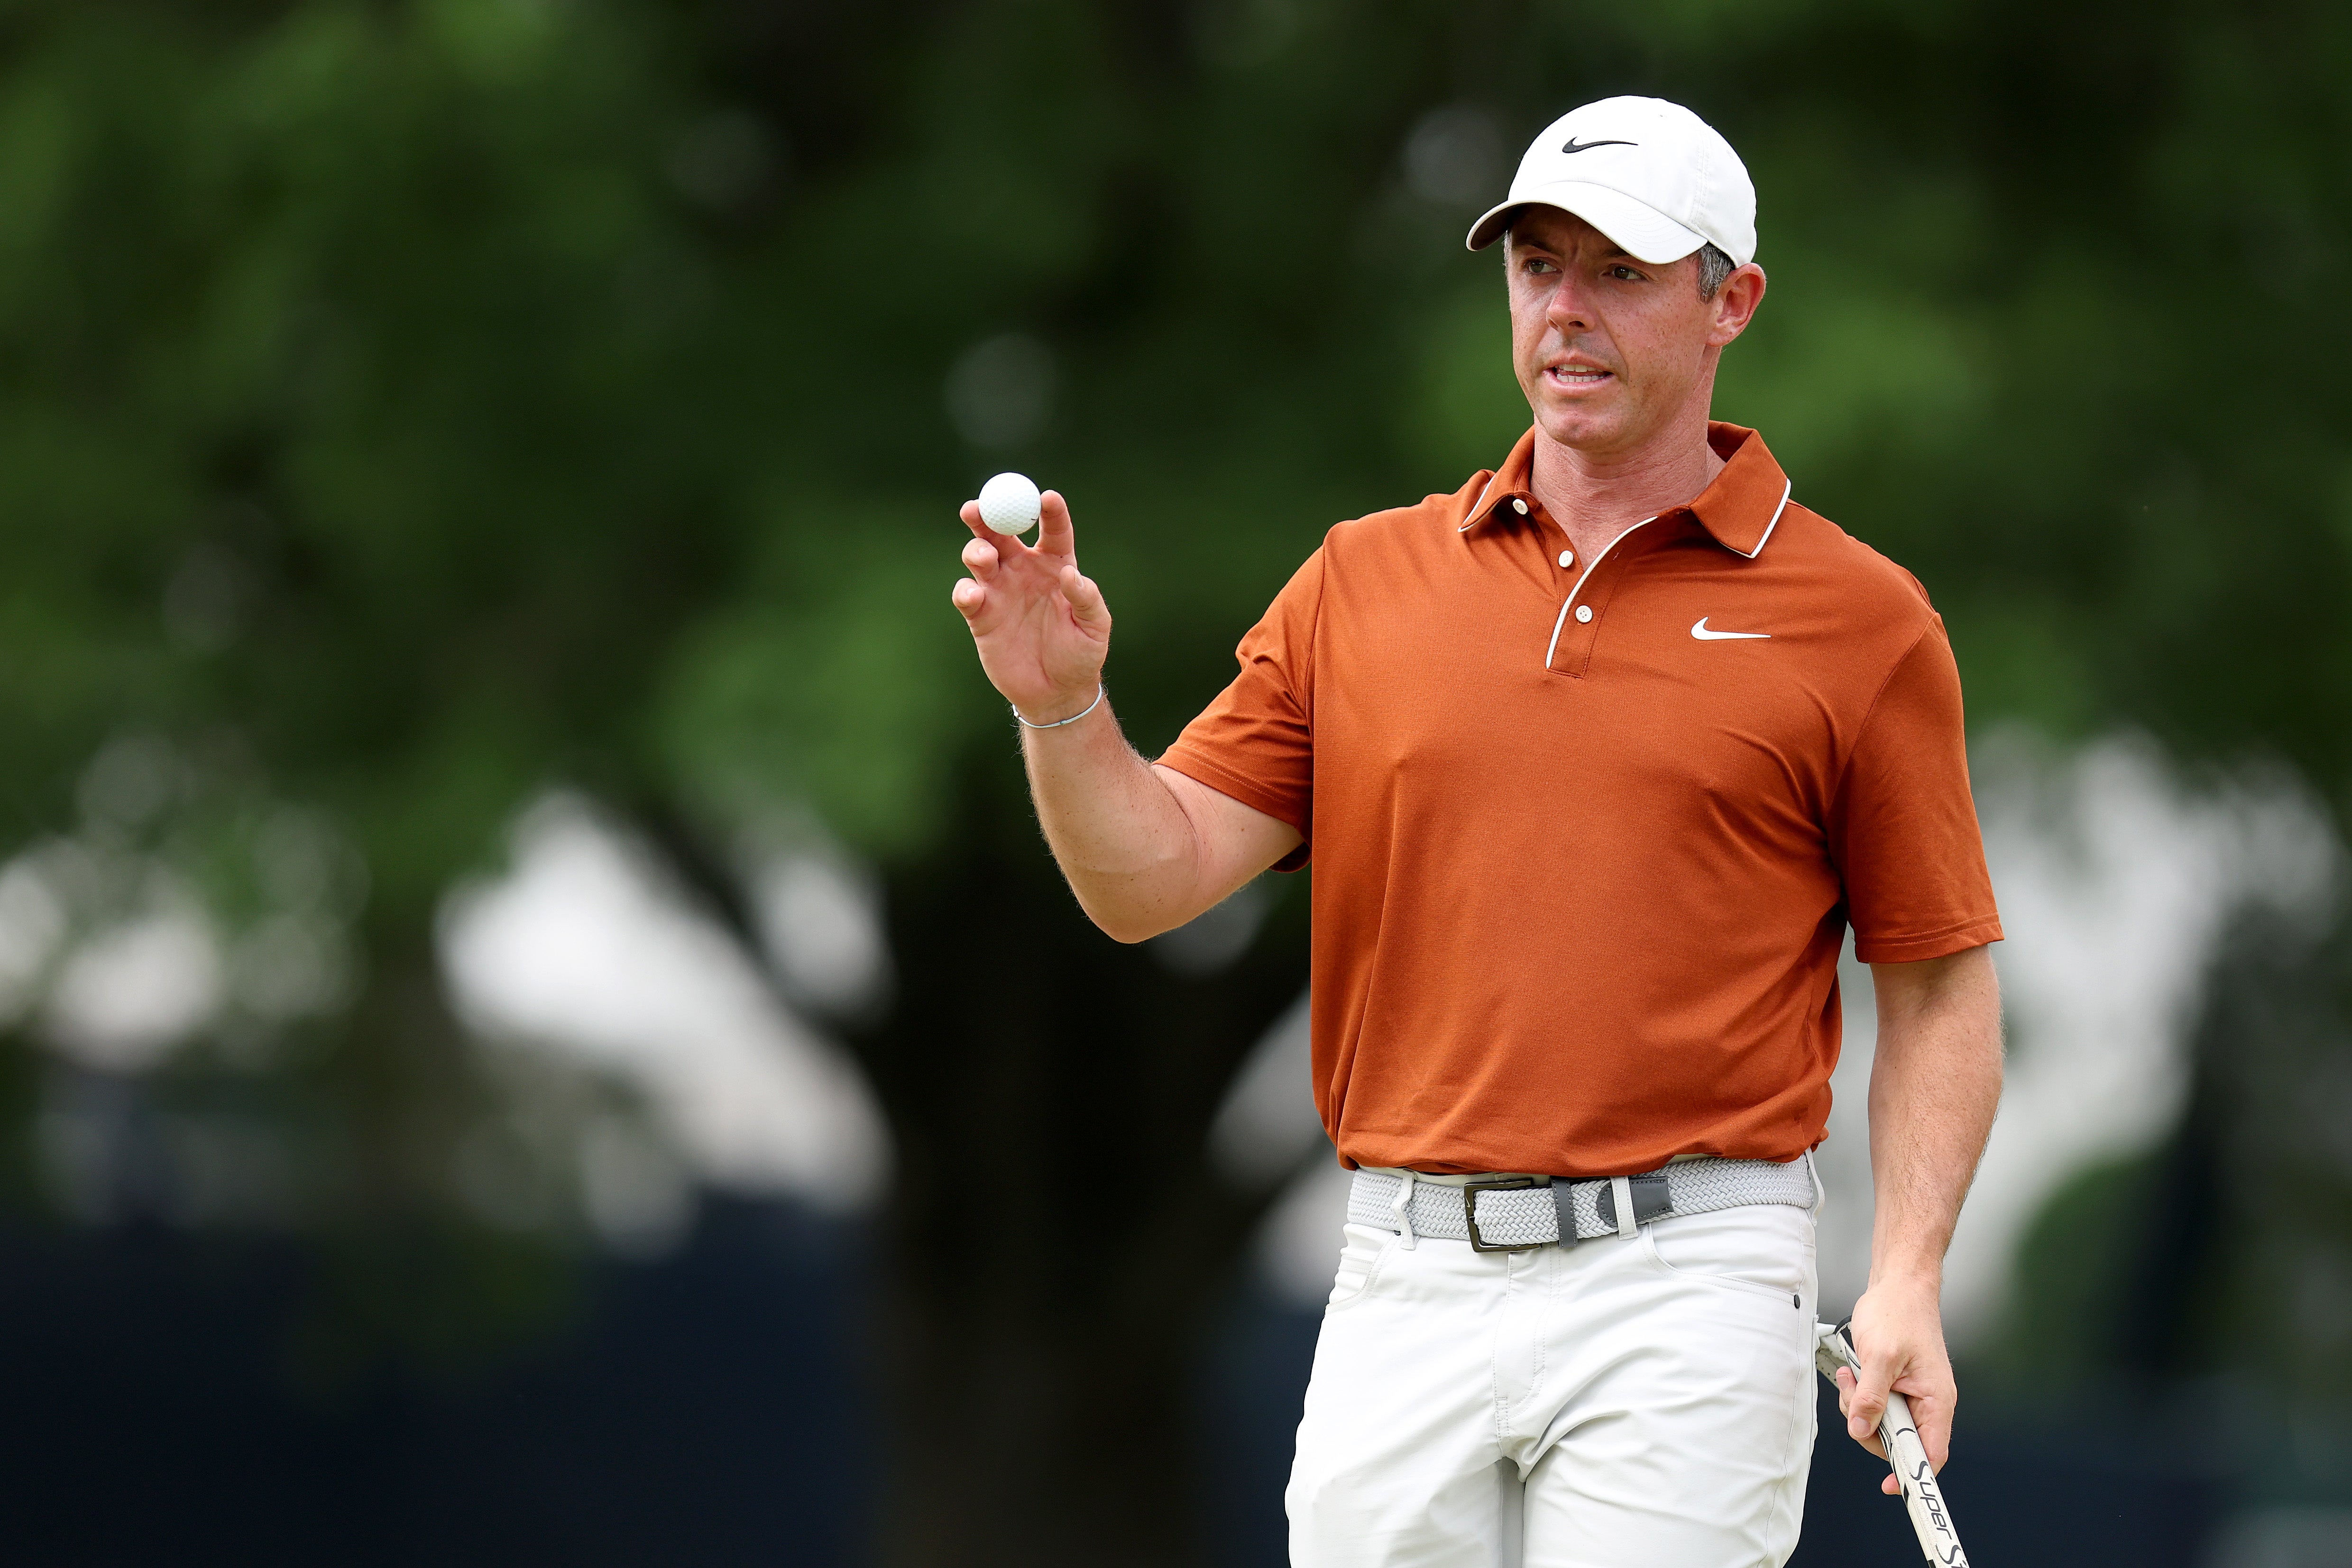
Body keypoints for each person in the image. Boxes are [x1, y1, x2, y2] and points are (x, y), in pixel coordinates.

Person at [948, 94, 2003, 1568]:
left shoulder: (1863, 623)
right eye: (1535, 268)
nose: (1565, 312)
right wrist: (1065, 711)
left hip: (1690, 1275)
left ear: (1731, 302)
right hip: (1406, 1272)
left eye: (1619, 273)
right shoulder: (1362, 582)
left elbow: (1941, 979)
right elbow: (1153, 877)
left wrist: (1906, 1270)